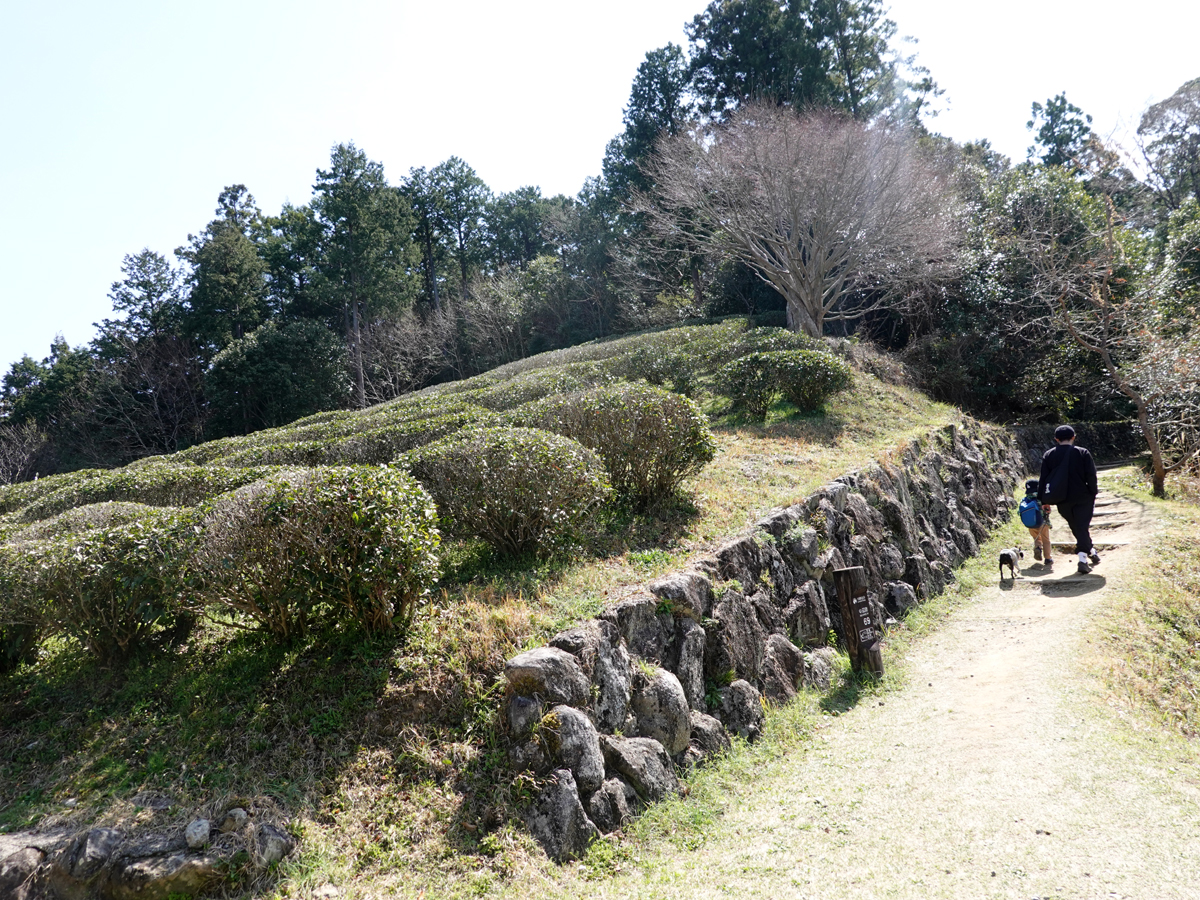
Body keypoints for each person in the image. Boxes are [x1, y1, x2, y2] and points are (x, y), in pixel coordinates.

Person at [1038, 425, 1100, 575]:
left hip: (1062, 499)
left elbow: (1043, 479)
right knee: (1081, 526)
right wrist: (1093, 492)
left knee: (1077, 526)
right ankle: (1082, 559)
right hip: (1082, 497)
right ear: (1073, 437)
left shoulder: (1049, 455)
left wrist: (1043, 500)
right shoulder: (1082, 452)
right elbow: (1091, 475)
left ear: (1056, 439)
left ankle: (1090, 550)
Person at [1019, 478, 1054, 566]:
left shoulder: (1025, 499)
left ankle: (1038, 547)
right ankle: (1048, 558)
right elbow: (1047, 510)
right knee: (1046, 540)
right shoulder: (1041, 498)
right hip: (1042, 523)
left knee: (1037, 538)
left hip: (1031, 524)